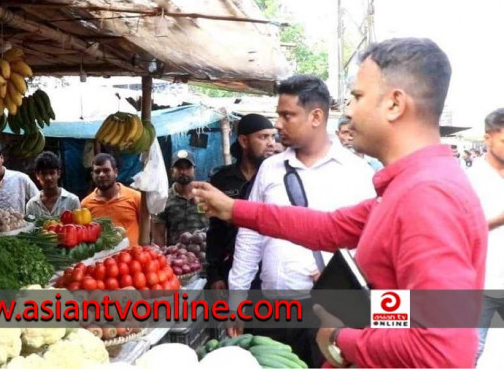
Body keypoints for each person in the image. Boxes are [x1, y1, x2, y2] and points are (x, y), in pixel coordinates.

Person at [191, 38, 487, 368]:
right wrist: (234, 209)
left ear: (394, 104)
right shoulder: (408, 186)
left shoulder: (428, 195)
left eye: (358, 97)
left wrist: (339, 337)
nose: (347, 110)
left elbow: (444, 349)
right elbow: (329, 227)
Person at [228, 75, 375, 367]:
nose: (278, 124)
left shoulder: (357, 173)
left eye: (287, 115)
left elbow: (372, 240)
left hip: (328, 313)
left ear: (316, 116)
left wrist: (344, 271)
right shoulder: (270, 169)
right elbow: (250, 236)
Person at [205, 113, 275, 291]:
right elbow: (215, 231)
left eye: (273, 136)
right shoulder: (222, 179)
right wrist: (214, 275)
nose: (271, 143)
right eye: (263, 137)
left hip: (267, 273)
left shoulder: (276, 179)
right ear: (244, 141)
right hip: (231, 270)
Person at [468, 108, 504, 362]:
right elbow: (464, 229)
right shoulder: (471, 178)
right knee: (471, 349)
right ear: (487, 139)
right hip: (483, 282)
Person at [82, 153, 141, 246]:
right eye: (97, 171)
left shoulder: (135, 197)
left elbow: (146, 228)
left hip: (133, 258)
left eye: (106, 170)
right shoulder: (86, 205)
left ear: (116, 172)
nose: (101, 175)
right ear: (92, 175)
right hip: (102, 259)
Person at [152, 150, 208, 247]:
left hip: (205, 255)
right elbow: (159, 235)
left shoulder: (205, 195)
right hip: (177, 257)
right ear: (171, 171)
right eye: (179, 168)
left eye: (188, 167)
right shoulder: (163, 198)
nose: (183, 171)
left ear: (195, 170)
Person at [26, 151, 80, 218]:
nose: (48, 178)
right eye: (44, 173)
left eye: (52, 173)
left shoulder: (72, 201)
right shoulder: (32, 205)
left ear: (59, 173)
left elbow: (79, 227)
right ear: (37, 175)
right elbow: (30, 227)